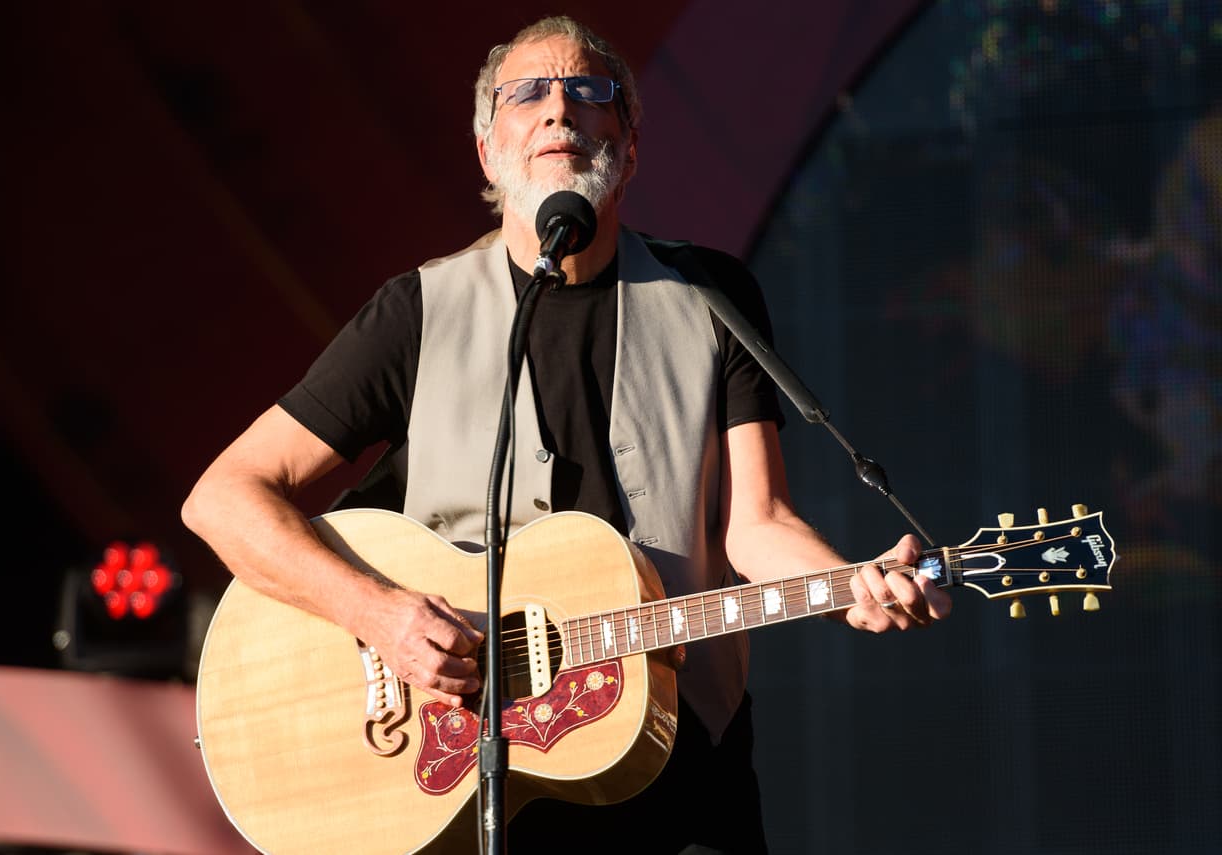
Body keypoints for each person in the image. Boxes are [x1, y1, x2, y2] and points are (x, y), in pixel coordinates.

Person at [182, 15, 951, 853]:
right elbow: (223, 498)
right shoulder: (417, 313)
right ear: (487, 150)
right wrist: (380, 613)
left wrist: (850, 582)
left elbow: (757, 526)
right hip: (476, 770)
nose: (560, 111)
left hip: (681, 760)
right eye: (529, 94)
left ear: (628, 144)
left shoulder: (712, 297)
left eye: (589, 93)